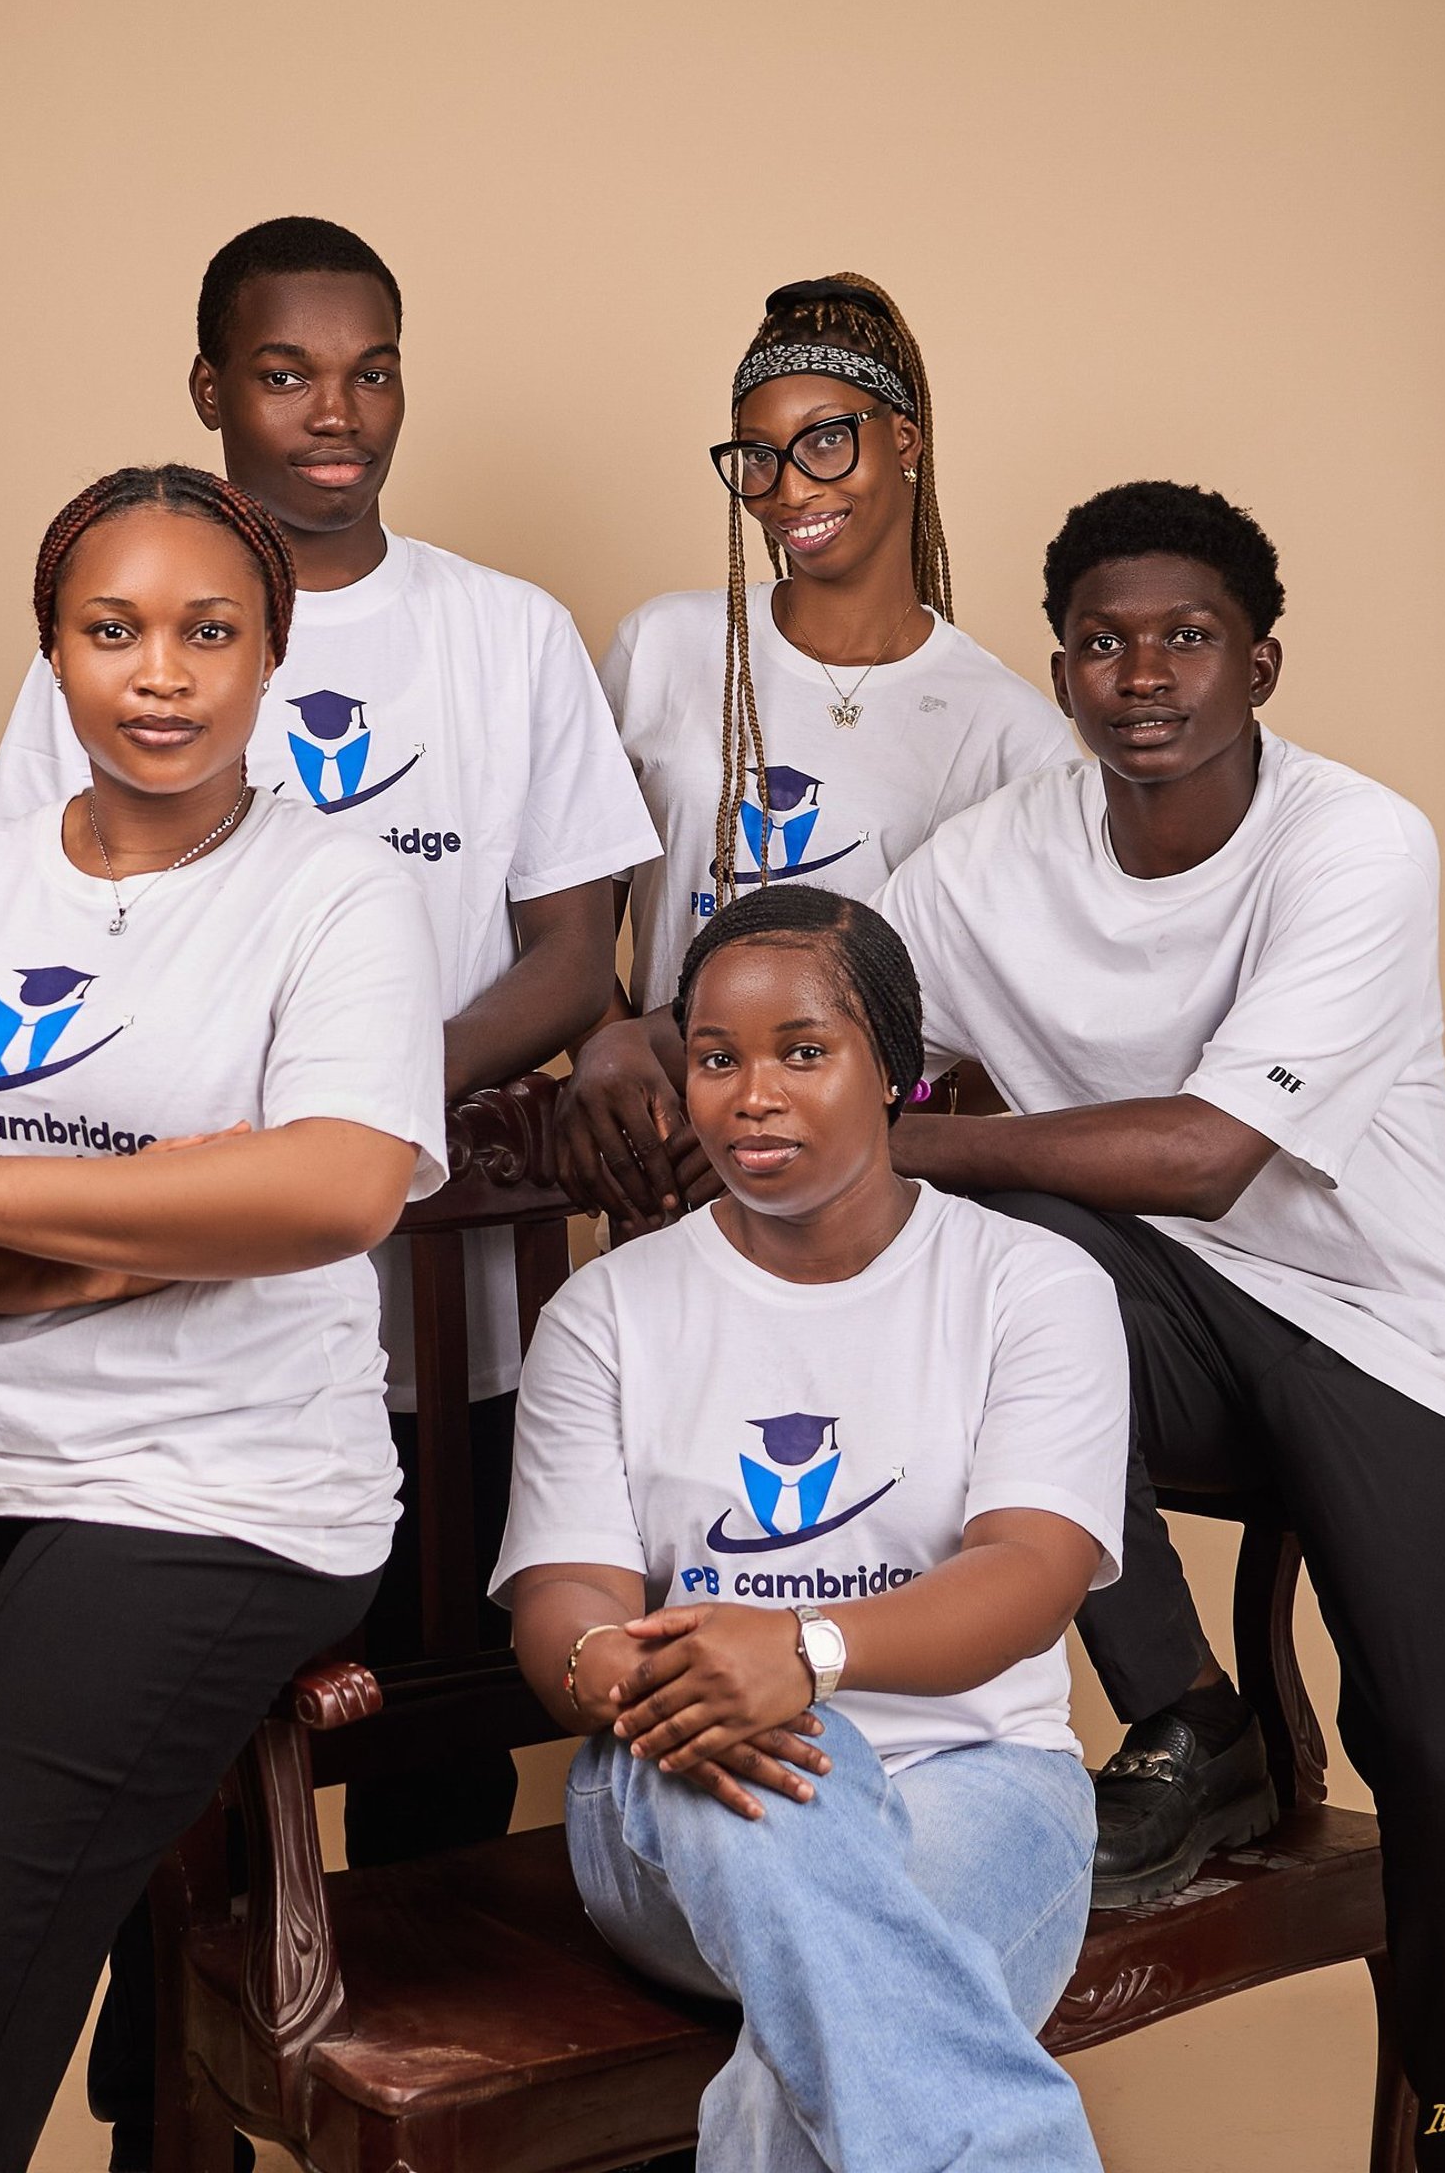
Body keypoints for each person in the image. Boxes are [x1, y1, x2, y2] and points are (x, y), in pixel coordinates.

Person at [0, 219, 658, 2159]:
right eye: (286, 372)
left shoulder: (504, 632)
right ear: (213, 390)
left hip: (463, 1319)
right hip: (199, 1348)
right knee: (172, 1774)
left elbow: (573, 959)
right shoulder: (135, 625)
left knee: (442, 1762)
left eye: (372, 369)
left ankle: (419, 2107)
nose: (335, 411)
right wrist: (253, 1151)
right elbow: (34, 922)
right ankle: (164, 2123)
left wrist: (351, 1110)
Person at [0, 465, 446, 2173]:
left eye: (211, 632)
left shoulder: (337, 893)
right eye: (112, 630)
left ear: (272, 653)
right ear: (50, 649)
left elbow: (338, 1186)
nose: (162, 675)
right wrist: (128, 1244)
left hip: (228, 1492)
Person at [871, 481, 1445, 2164]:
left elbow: (1207, 1156)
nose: (1145, 677)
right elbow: (825, 1002)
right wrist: (656, 1033)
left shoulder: (1356, 841)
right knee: (994, 1251)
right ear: (1061, 670)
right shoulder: (990, 861)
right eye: (1103, 644)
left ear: (1260, 662)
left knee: (1442, 1756)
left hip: (1386, 1343)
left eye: (1186, 638)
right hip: (1161, 1331)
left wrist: (907, 1141)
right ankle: (1193, 1718)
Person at [496, 886, 1128, 2172]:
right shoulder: (608, 1314)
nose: (754, 1096)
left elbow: (1031, 1573)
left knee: (790, 2089)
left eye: (801, 1052)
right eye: (717, 1060)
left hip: (980, 1776)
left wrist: (805, 1653)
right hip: (685, 1786)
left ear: (891, 1070)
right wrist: (632, 1675)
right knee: (770, 1789)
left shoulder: (1031, 1286)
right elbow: (567, 1599)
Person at [561, 273, 1072, 1227]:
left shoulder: (1009, 730)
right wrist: (630, 1076)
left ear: (904, 439)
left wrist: (863, 1135)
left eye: (827, 440)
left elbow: (1013, 1030)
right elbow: (573, 919)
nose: (790, 489)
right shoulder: (665, 647)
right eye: (757, 456)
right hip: (672, 1165)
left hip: (871, 1196)